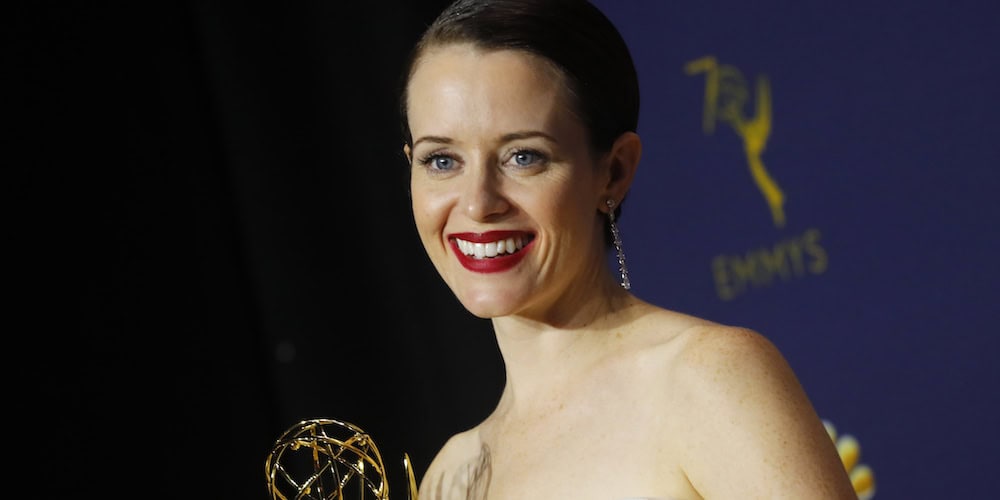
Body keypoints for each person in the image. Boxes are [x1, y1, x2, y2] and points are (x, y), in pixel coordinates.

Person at [398, 0, 856, 498]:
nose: (479, 203)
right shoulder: (452, 474)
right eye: (441, 160)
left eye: (523, 156)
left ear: (614, 170)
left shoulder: (704, 379)